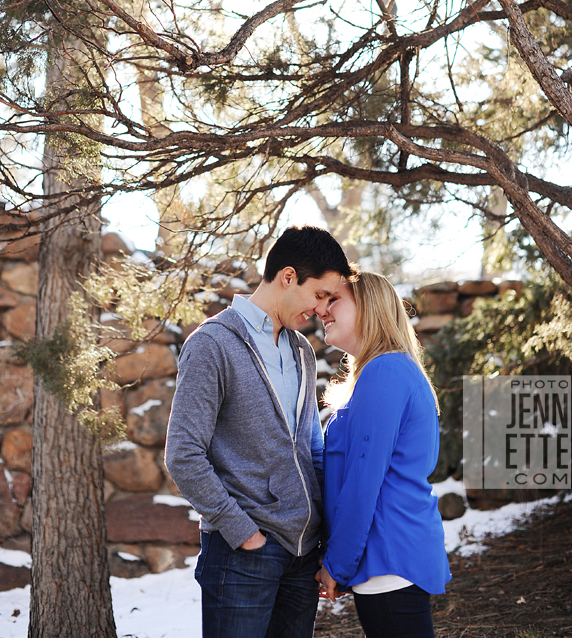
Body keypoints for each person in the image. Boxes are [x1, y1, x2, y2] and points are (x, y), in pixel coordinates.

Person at [165, 225, 351, 638]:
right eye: (320, 294)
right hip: (242, 555)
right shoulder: (212, 344)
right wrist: (243, 532)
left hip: (302, 553)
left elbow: (311, 447)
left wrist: (326, 536)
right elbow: (183, 454)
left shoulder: (300, 349)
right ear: (288, 277)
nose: (323, 310)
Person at [316, 270, 451, 638]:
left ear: (368, 307)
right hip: (383, 561)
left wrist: (337, 564)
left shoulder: (385, 372)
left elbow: (363, 484)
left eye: (334, 300)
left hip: (388, 560)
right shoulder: (383, 372)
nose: (321, 310)